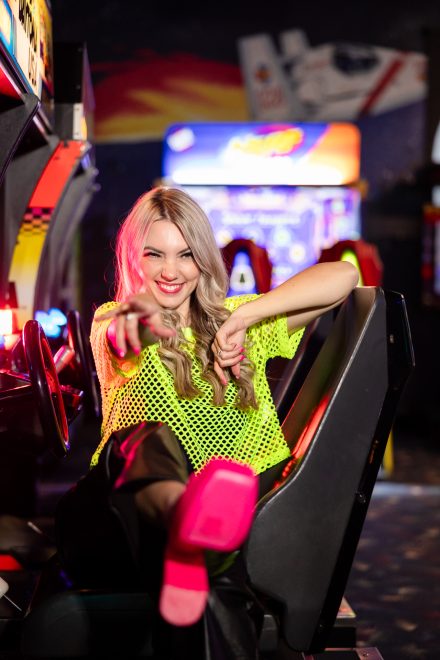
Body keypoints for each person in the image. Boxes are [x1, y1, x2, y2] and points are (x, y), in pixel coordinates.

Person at [56, 186, 358, 647]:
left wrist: (245, 317)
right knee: (142, 436)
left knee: (218, 593)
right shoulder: (111, 320)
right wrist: (142, 318)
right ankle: (185, 519)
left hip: (227, 536)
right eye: (155, 254)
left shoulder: (240, 323)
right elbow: (122, 334)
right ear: (134, 259)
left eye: (186, 254)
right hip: (121, 525)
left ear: (203, 259)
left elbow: (344, 276)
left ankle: (196, 541)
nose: (171, 271)